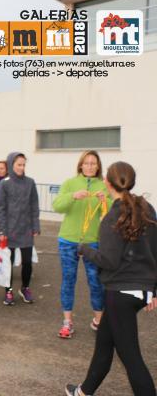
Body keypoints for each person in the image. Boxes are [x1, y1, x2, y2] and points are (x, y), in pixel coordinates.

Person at [66, 161, 157, 396]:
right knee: (105, 343)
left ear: (106, 182)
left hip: (121, 293)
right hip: (139, 291)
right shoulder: (148, 208)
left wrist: (84, 249)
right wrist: (154, 290)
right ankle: (84, 392)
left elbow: (109, 261)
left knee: (132, 360)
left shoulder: (112, 218)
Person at [53, 151, 111, 339]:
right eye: (86, 163)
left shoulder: (104, 185)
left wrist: (105, 200)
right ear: (80, 165)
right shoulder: (70, 183)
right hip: (68, 240)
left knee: (96, 282)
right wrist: (73, 196)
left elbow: (112, 210)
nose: (89, 166)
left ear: (98, 166)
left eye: (93, 163)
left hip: (93, 242)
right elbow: (57, 206)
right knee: (68, 280)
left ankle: (99, 321)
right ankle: (67, 322)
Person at [0, 152, 40, 306]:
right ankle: (8, 290)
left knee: (27, 262)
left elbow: (34, 206)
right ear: (11, 165)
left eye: (23, 164)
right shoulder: (4, 184)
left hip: (26, 229)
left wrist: (36, 226)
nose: (21, 167)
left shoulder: (30, 182)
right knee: (9, 262)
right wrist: (1, 230)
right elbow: (0, 209)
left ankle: (25, 288)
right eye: (18, 165)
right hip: (9, 229)